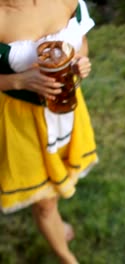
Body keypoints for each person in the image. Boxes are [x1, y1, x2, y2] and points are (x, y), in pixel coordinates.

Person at [0, 0, 98, 263]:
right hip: (20, 120)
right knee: (44, 203)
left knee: (57, 179)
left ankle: (53, 217)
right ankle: (67, 258)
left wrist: (81, 62)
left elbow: (81, 42)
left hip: (67, 110)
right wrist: (18, 80)